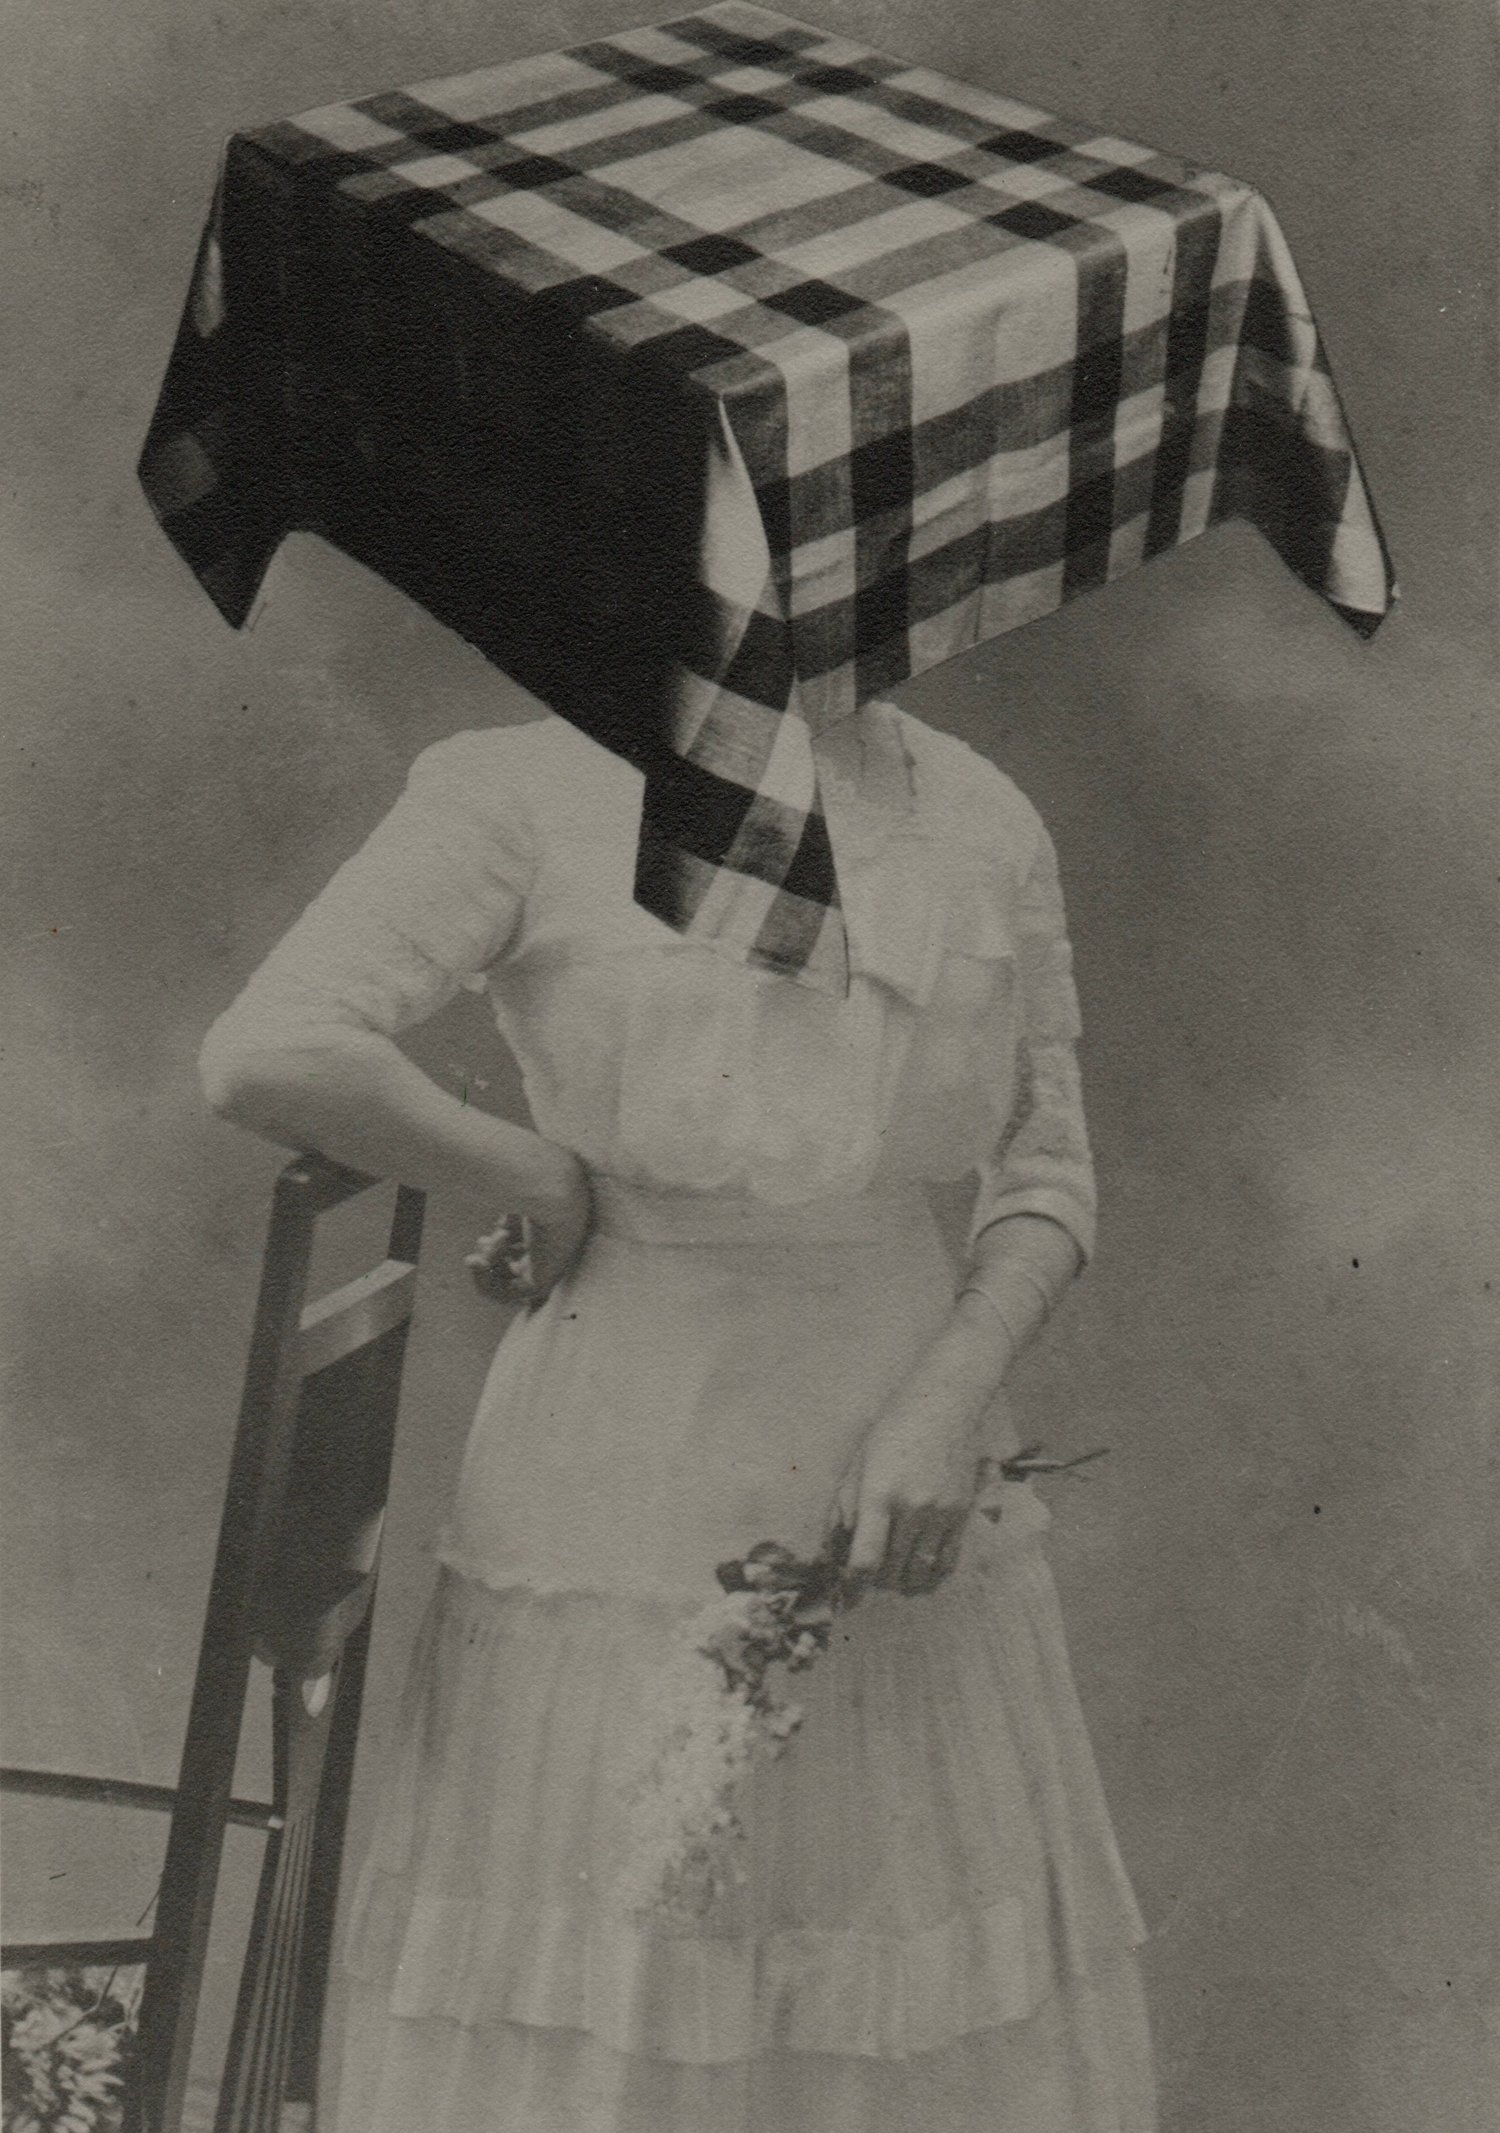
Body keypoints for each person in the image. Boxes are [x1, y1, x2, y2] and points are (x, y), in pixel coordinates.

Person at [198, 697, 1155, 2133]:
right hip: (619, 1460)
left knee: (896, 1977)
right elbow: (268, 1050)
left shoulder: (978, 810)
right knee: (614, 1972)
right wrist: (539, 1175)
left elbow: (1047, 1167)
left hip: (904, 1458)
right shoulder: (524, 786)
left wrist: (947, 1401)